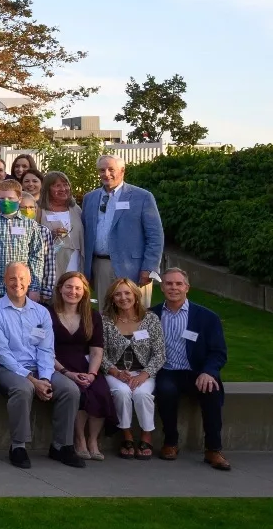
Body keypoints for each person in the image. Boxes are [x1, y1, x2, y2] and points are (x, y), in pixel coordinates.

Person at [0, 259, 81, 469]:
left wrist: (44, 378)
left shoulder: (41, 312)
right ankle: (18, 446)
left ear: (29, 282)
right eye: (12, 278)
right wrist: (32, 380)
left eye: (21, 279)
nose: (16, 283)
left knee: (70, 389)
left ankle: (61, 446)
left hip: (39, 367)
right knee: (23, 388)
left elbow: (46, 349)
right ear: (4, 281)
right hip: (3, 368)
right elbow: (1, 354)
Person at [153, 267, 230, 470]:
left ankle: (213, 449)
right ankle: (170, 442)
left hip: (198, 371)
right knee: (165, 390)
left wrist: (208, 371)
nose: (174, 288)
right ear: (162, 287)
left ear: (187, 287)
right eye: (169, 283)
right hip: (168, 371)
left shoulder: (207, 317)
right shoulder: (152, 315)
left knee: (211, 390)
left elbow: (218, 352)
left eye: (179, 284)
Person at [82, 154, 164, 305]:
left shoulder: (142, 197)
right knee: (105, 315)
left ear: (122, 170)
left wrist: (149, 268)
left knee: (135, 316)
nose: (106, 174)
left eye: (111, 169)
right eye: (102, 170)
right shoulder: (90, 198)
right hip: (101, 267)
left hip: (134, 268)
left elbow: (155, 236)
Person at [48, 270, 112, 462]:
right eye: (68, 287)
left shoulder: (92, 316)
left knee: (100, 391)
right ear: (60, 289)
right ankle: (79, 439)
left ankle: (93, 440)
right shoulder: (47, 313)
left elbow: (96, 350)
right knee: (78, 392)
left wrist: (92, 373)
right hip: (58, 364)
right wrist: (66, 373)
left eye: (78, 288)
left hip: (85, 365)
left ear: (84, 291)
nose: (73, 291)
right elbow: (43, 350)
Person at [101, 277, 163, 459]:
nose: (123, 298)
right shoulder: (106, 321)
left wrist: (144, 375)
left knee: (142, 394)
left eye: (127, 293)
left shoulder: (150, 319)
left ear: (136, 296)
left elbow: (160, 354)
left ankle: (146, 434)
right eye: (118, 294)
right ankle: (126, 435)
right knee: (121, 393)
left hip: (144, 372)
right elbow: (100, 354)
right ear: (112, 298)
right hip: (115, 371)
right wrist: (116, 372)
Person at [0, 178, 47, 304]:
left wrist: (35, 287)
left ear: (19, 200)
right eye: (2, 199)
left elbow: (37, 256)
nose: (6, 201)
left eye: (10, 198)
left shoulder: (30, 225)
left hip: (21, 287)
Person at [38, 171, 84, 292]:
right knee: (55, 293)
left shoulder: (76, 209)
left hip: (75, 259)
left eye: (65, 184)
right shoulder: (40, 210)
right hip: (50, 262)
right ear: (48, 189)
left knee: (72, 290)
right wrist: (49, 235)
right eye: (57, 185)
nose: (63, 188)